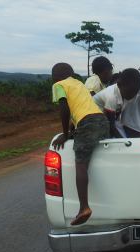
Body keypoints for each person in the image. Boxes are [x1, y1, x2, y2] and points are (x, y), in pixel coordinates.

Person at [51, 62, 109, 226]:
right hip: (102, 121)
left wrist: (64, 134)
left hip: (88, 123)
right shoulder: (79, 84)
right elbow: (80, 109)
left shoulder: (58, 85)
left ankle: (84, 207)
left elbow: (65, 108)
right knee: (93, 155)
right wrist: (71, 131)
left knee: (81, 164)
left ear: (55, 76)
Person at [93, 68, 140, 138]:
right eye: (130, 92)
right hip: (95, 118)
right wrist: (123, 141)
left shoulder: (129, 91)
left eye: (135, 92)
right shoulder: (111, 96)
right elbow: (111, 126)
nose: (132, 96)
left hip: (109, 116)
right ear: (119, 85)